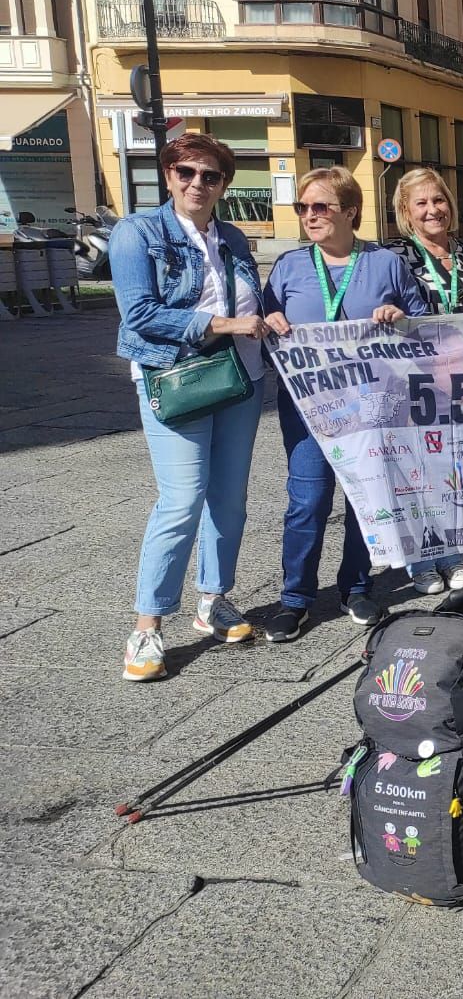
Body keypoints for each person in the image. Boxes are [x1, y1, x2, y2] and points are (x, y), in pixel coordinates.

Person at [109, 133, 271, 682]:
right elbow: (140, 314)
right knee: (181, 501)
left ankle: (213, 601)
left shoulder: (231, 237)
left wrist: (270, 318)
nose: (197, 183)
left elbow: (252, 300)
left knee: (229, 500)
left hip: (240, 378)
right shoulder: (137, 233)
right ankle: (147, 625)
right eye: (186, 172)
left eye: (211, 175)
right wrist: (223, 325)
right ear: (169, 174)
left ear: (225, 184)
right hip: (175, 381)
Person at [262, 167, 429, 642]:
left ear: (351, 211)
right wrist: (268, 317)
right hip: (308, 409)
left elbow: (421, 324)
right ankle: (295, 599)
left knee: (365, 497)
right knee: (308, 502)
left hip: (372, 408)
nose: (309, 216)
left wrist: (398, 316)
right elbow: (265, 317)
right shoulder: (291, 266)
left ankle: (356, 586)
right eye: (303, 207)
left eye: (321, 207)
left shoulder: (385, 264)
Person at [384, 167, 463, 595]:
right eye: (421, 203)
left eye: (438, 200)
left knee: (455, 468)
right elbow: (383, 310)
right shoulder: (393, 256)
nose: (432, 210)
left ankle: (454, 553)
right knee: (416, 473)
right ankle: (421, 558)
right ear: (406, 213)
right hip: (415, 383)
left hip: (462, 378)